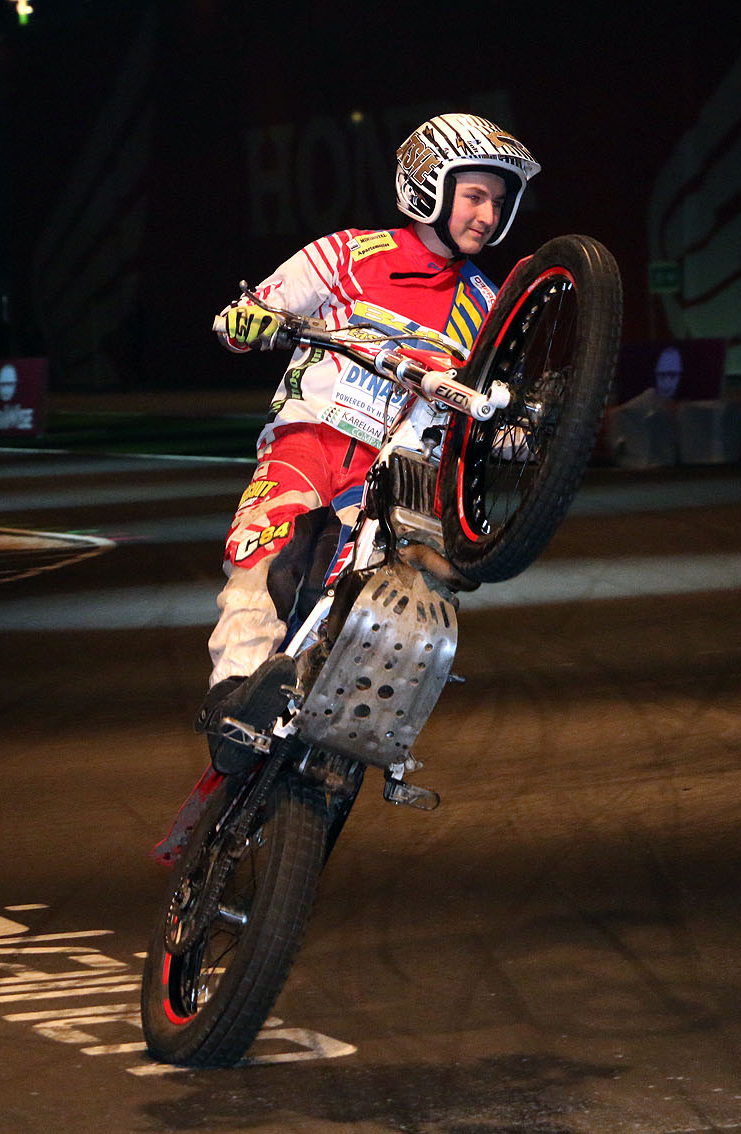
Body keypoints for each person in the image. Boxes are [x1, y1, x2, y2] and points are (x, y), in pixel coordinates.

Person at [199, 112, 541, 771]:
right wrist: (248, 321)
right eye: (475, 196)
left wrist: (523, 435)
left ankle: (329, 721)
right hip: (309, 441)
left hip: (396, 479)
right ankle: (230, 700)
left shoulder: (487, 304)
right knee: (267, 549)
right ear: (428, 187)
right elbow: (245, 317)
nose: (487, 215)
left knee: (378, 602)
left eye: (498, 203)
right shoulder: (346, 253)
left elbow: (494, 413)